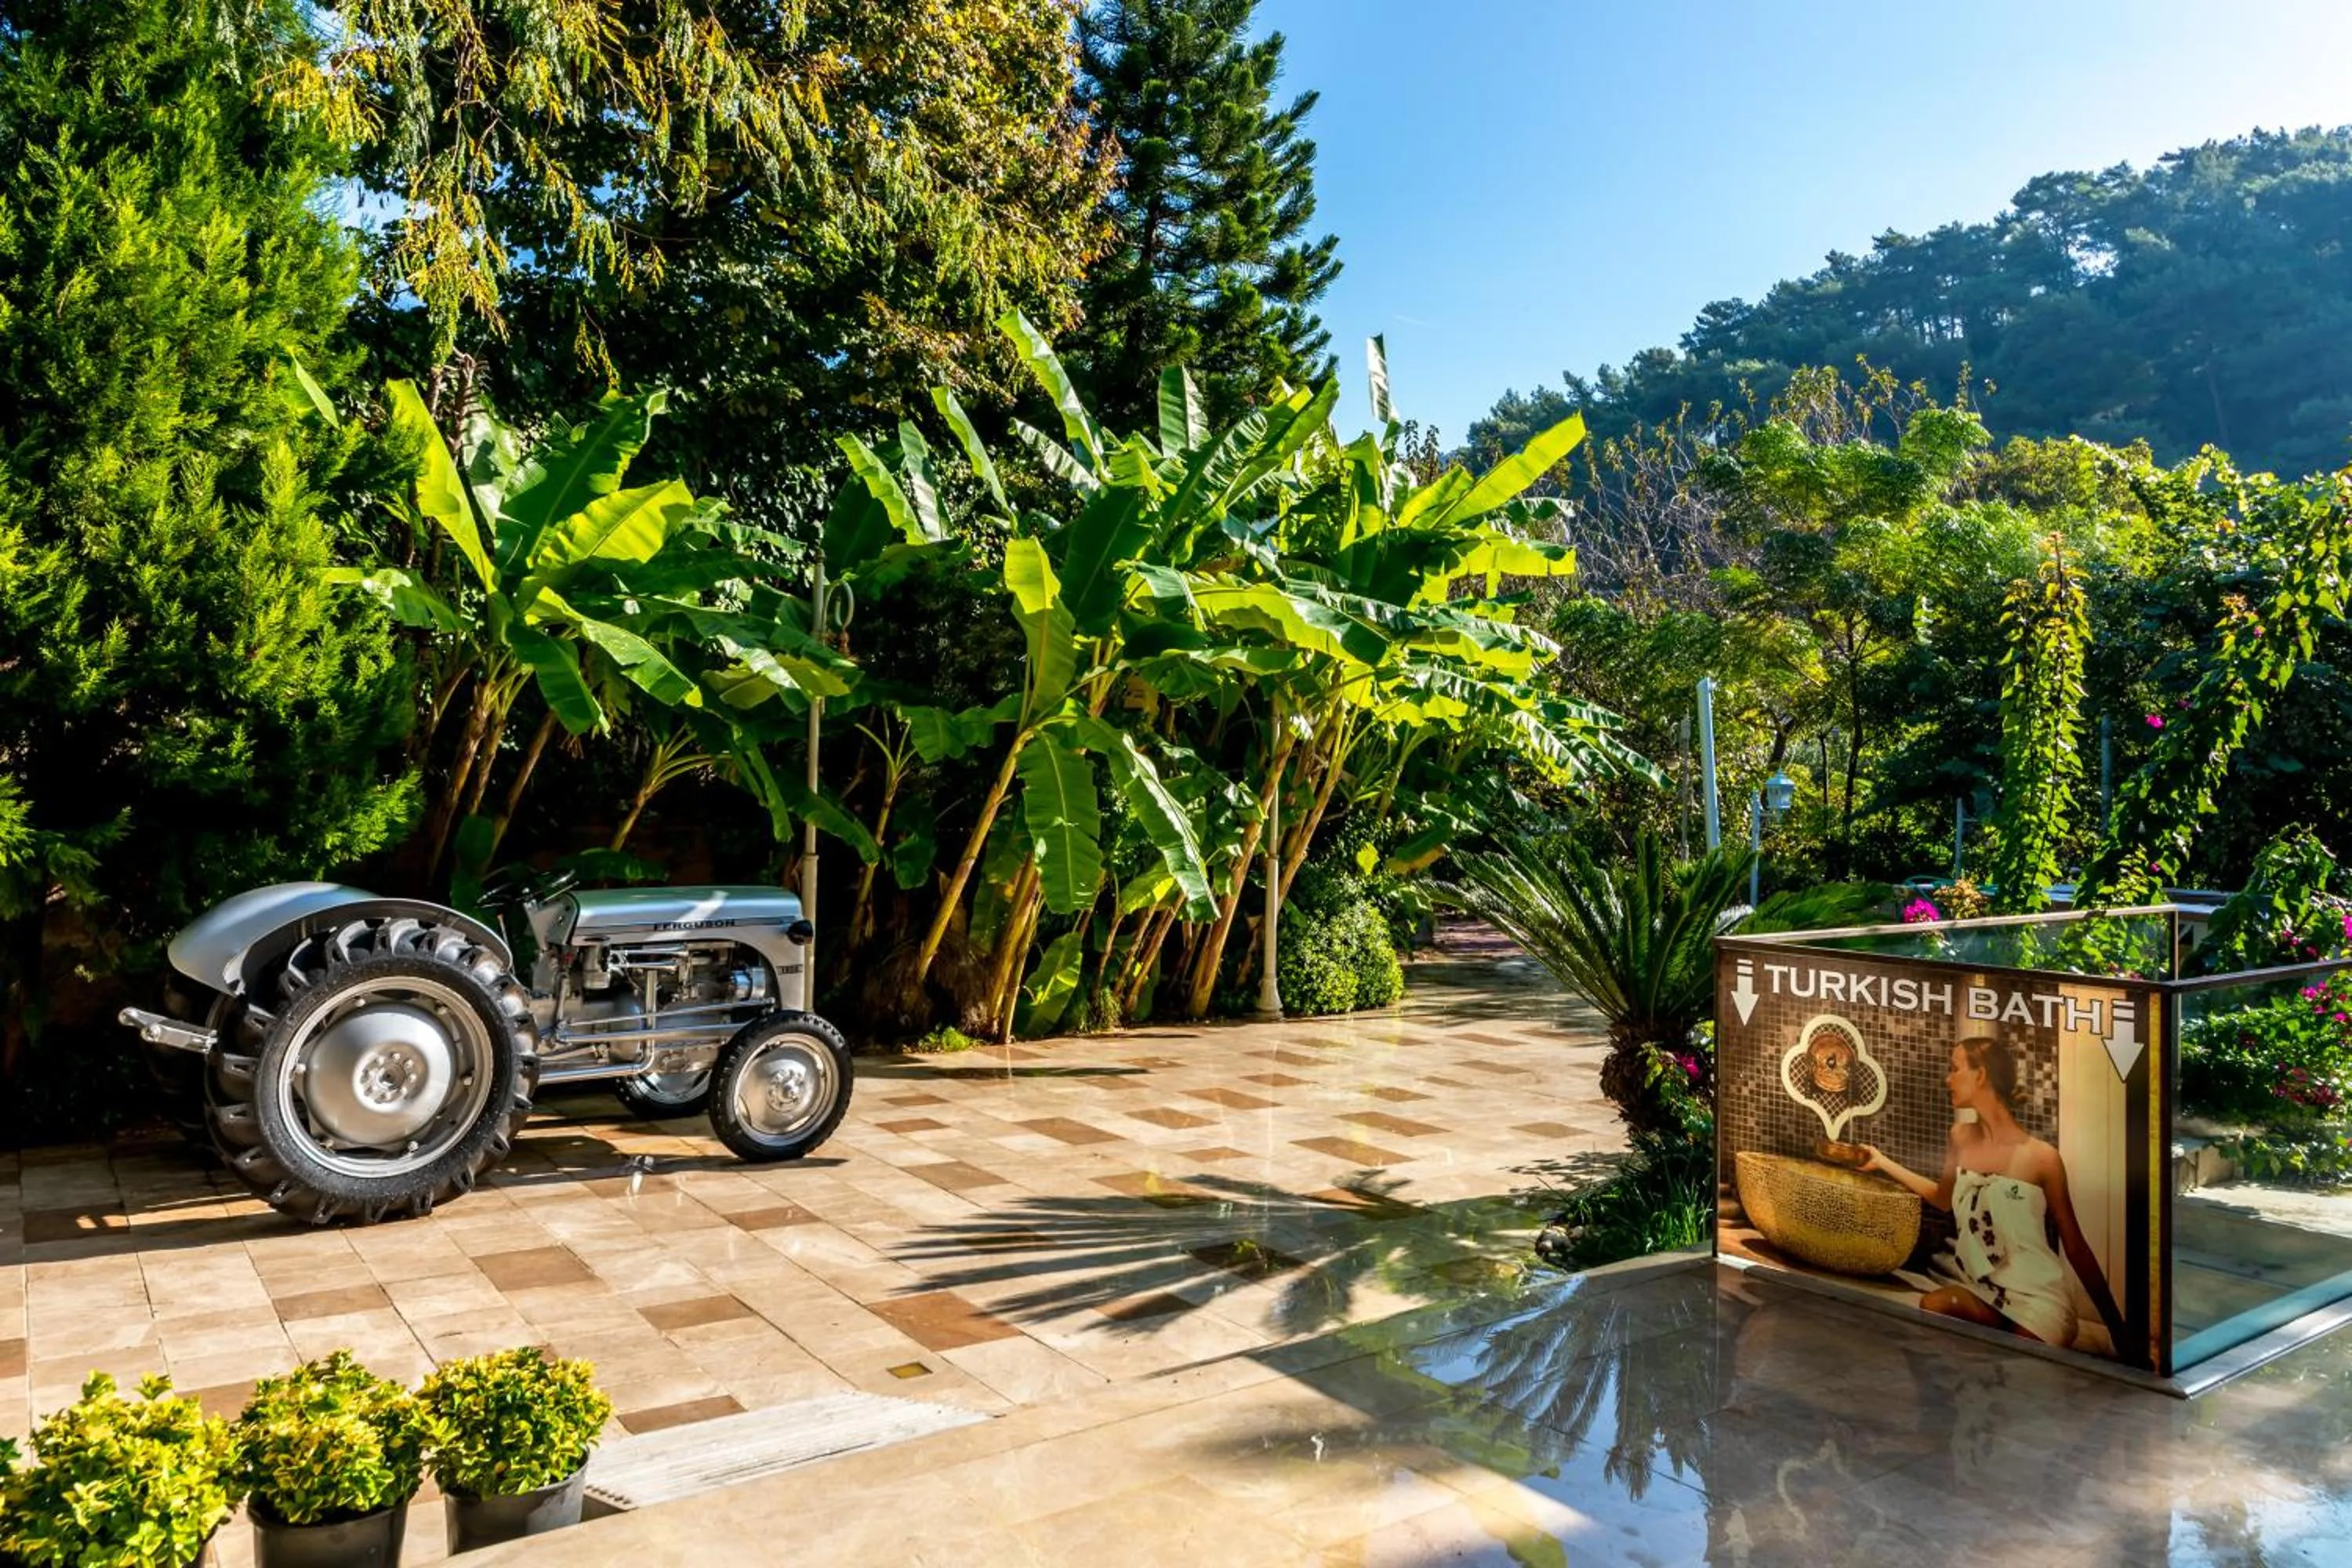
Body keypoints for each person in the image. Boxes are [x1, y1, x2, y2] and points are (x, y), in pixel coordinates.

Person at [1861, 1036, 2128, 1354]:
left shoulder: (2042, 1158)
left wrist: (2120, 1332)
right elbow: (1943, 1197)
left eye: (1954, 1069)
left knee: (2015, 1364)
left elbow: (2076, 1246)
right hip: (1989, 1294)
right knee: (1934, 1307)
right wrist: (1881, 1162)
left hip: (2040, 1300)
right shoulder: (1959, 1137)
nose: (1947, 1079)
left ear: (1981, 1075)